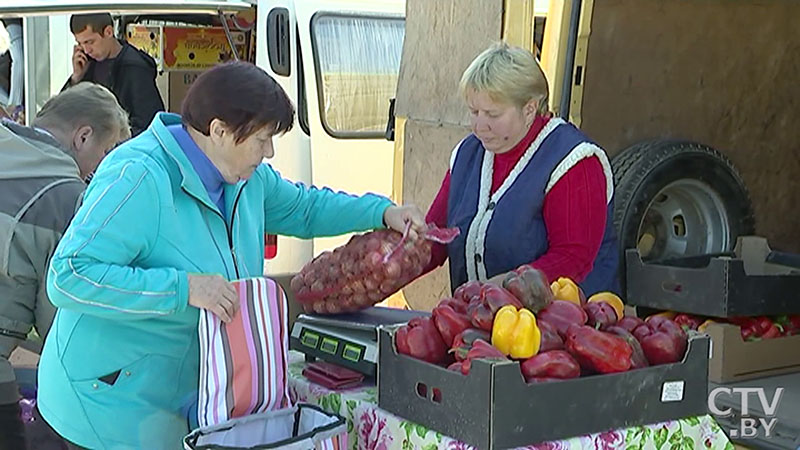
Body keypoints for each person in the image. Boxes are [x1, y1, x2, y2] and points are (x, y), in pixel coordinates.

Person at [39, 61, 426, 449]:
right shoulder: (139, 176)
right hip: (104, 402)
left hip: (178, 401)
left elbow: (305, 209)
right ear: (219, 130)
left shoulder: (245, 179)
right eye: (261, 140)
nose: (270, 152)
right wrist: (184, 289)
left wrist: (381, 211)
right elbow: (69, 275)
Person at [423, 42, 619, 296]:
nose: (480, 126)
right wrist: (387, 264)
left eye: (493, 115)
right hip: (485, 322)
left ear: (529, 109)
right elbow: (436, 237)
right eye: (474, 112)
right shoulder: (468, 154)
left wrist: (503, 287)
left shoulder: (574, 160)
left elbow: (574, 258)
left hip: (565, 326)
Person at [0, 83, 130, 450]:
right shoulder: (66, 197)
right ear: (83, 137)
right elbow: (60, 328)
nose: (99, 169)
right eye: (106, 153)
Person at [66, 13, 164, 136]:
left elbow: (148, 124)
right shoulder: (88, 65)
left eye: (90, 42)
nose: (86, 50)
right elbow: (64, 114)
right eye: (80, 44)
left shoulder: (135, 67)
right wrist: (76, 78)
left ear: (108, 32)